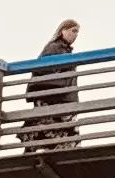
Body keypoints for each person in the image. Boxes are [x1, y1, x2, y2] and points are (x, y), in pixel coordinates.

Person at [26, 18, 80, 150]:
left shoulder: (63, 50)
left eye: (77, 32)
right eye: (73, 31)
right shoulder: (54, 47)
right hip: (53, 98)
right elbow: (44, 71)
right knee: (51, 129)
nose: (76, 35)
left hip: (59, 98)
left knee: (53, 131)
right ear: (63, 31)